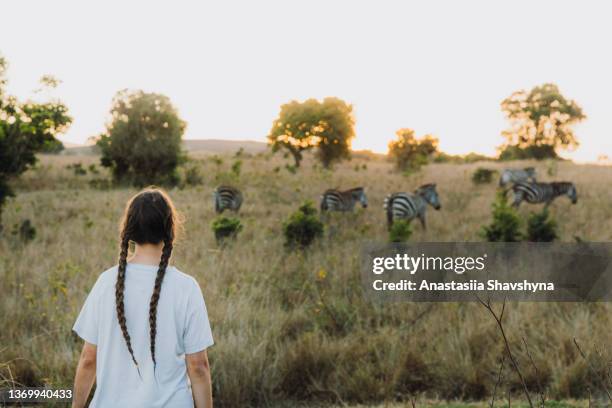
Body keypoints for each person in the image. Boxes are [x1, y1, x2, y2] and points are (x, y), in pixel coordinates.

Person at [72, 188, 214, 407]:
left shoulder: (106, 282)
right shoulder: (187, 287)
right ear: (170, 229)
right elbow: (198, 366)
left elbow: (88, 359)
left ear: (129, 230)